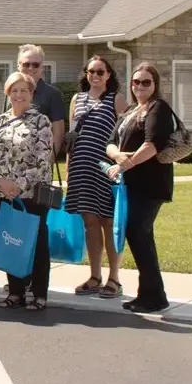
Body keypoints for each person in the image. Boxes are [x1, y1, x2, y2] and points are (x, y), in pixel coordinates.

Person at [106, 62, 175, 314]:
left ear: (155, 84)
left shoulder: (159, 108)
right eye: (136, 82)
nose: (140, 86)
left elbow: (152, 146)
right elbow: (111, 142)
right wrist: (117, 157)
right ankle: (151, 294)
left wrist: (125, 164)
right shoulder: (131, 111)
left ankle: (153, 296)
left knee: (138, 233)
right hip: (130, 186)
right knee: (139, 235)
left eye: (146, 82)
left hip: (150, 185)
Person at [0, 72, 54, 312]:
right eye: (14, 90)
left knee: (36, 243)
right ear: (7, 93)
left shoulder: (41, 121)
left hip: (32, 195)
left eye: (23, 90)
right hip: (3, 194)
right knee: (11, 241)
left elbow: (43, 159)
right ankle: (15, 291)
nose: (18, 95)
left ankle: (38, 293)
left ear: (31, 93)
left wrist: (20, 185)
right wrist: (1, 182)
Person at [67, 55, 127, 299]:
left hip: (105, 170)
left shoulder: (116, 99)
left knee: (108, 224)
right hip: (81, 169)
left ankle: (114, 278)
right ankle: (94, 276)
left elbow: (124, 135)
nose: (95, 76)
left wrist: (121, 166)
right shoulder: (76, 99)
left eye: (100, 72)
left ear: (108, 75)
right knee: (89, 223)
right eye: (91, 71)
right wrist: (69, 171)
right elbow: (72, 137)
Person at [12, 44, 66, 155]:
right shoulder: (11, 92)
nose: (31, 68)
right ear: (18, 66)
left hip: (39, 160)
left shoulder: (53, 94)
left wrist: (50, 158)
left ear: (42, 67)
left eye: (35, 65)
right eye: (26, 64)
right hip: (13, 158)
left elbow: (58, 131)